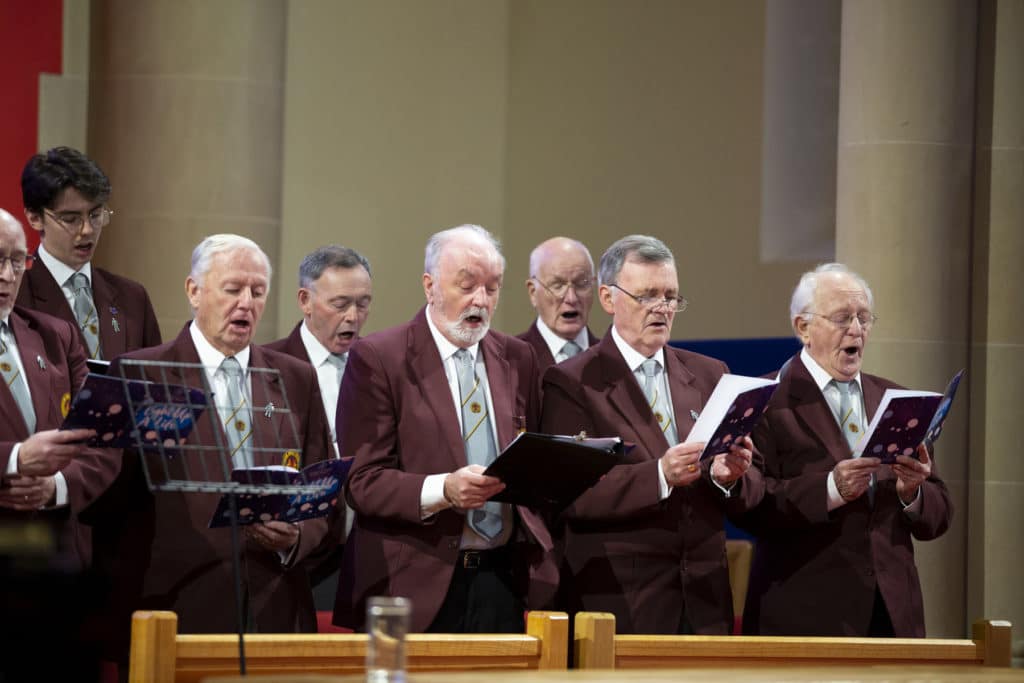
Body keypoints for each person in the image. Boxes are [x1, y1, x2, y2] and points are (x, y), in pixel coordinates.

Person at [83, 234, 333, 666]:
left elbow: (324, 490)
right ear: (193, 291)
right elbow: (105, 498)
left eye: (258, 291)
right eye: (233, 289)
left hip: (275, 608)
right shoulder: (141, 373)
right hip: (175, 606)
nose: (246, 303)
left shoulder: (295, 378)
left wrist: (297, 536)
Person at [333, 224, 557, 633]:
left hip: (501, 581)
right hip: (412, 583)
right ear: (430, 286)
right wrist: (443, 490)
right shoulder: (379, 358)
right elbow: (361, 482)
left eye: (492, 288)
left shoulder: (518, 357)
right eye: (467, 286)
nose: (481, 300)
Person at [540, 234, 763, 635]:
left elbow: (754, 491)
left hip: (705, 603)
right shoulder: (572, 382)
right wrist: (660, 475)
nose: (662, 308)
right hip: (621, 605)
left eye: (670, 296)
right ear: (608, 298)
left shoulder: (711, 375)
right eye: (646, 296)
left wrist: (727, 478)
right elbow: (570, 493)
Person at [738, 263, 952, 637]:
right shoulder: (765, 400)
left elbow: (939, 516)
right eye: (842, 318)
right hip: (804, 616)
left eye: (864, 318)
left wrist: (912, 493)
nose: (856, 329)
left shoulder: (896, 399)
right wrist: (830, 489)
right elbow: (749, 506)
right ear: (803, 327)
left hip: (892, 616)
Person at [0, 208, 118, 680]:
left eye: (17, 260)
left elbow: (103, 437)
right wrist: (14, 459)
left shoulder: (55, 335)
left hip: (59, 569)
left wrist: (56, 486)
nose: (7, 275)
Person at [264, 244, 372, 608]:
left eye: (363, 303)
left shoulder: (382, 366)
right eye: (340, 304)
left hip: (370, 555)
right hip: (298, 561)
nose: (353, 317)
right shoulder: (268, 368)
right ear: (305, 300)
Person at [17, 147, 161, 359]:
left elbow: (155, 376)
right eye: (70, 219)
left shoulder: (132, 298)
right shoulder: (15, 296)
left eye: (95, 215)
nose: (87, 230)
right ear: (35, 218)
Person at [517, 237, 599, 370]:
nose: (571, 298)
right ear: (533, 292)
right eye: (557, 286)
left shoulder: (617, 361)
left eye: (581, 284)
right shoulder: (509, 361)